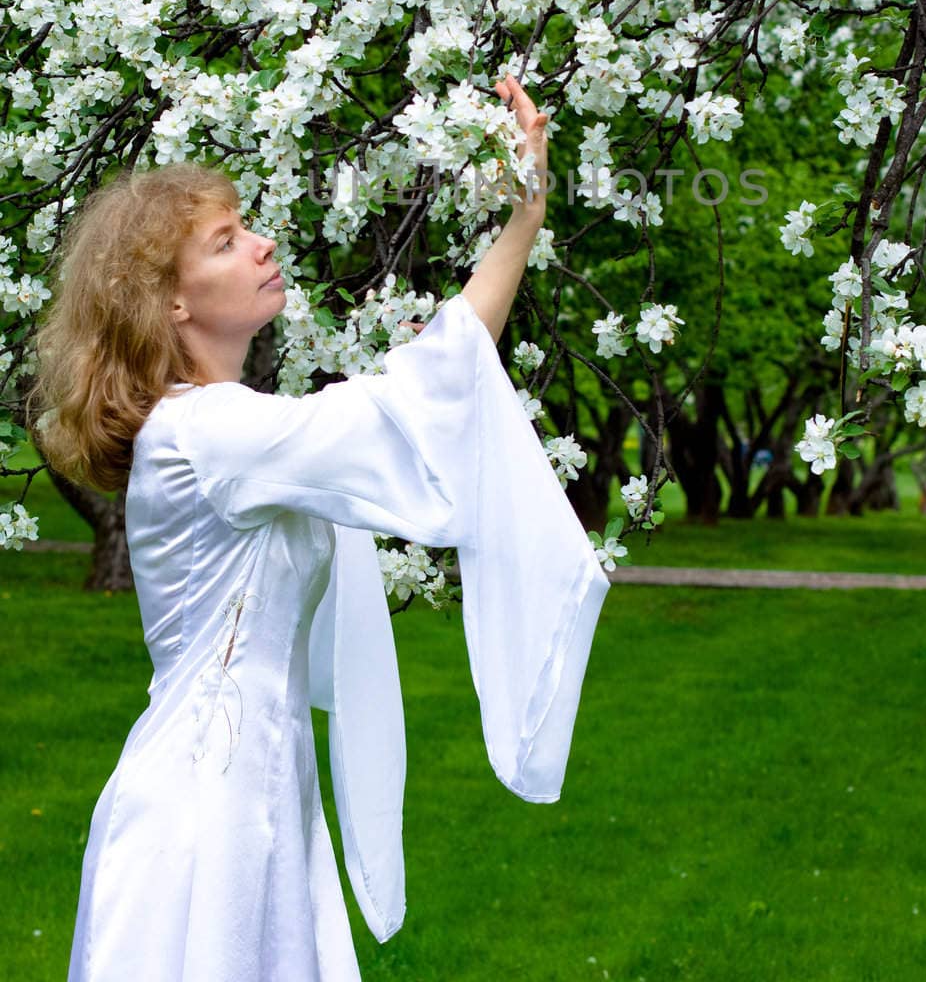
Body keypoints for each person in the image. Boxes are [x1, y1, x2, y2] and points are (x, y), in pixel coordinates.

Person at [28, 75, 609, 982]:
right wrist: (521, 219)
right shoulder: (209, 433)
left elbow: (419, 395)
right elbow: (423, 396)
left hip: (250, 784)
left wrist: (483, 282)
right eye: (225, 242)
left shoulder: (229, 427)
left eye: (246, 227)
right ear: (171, 305)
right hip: (205, 807)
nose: (261, 244)